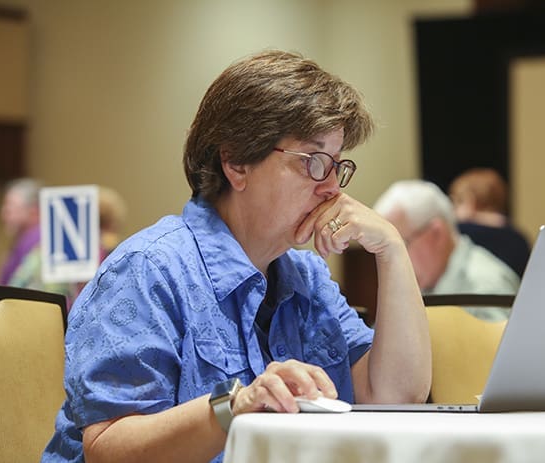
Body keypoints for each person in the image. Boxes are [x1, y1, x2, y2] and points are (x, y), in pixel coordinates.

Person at [42, 50, 431, 463]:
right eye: (314, 161)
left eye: (337, 165)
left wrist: (392, 249)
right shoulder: (148, 269)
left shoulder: (308, 278)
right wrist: (234, 407)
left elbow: (397, 396)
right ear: (237, 162)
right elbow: (106, 449)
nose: (332, 188)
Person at [373, 179, 519, 321]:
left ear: (437, 234)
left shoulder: (486, 288)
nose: (391, 261)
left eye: (402, 244)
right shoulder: (420, 284)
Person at [0, 178, 77, 300]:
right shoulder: (24, 242)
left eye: (10, 206)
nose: (4, 213)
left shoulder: (42, 241)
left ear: (34, 210)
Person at [448, 167, 530, 277]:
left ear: (470, 201)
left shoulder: (462, 232)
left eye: (457, 202)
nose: (452, 209)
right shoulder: (519, 238)